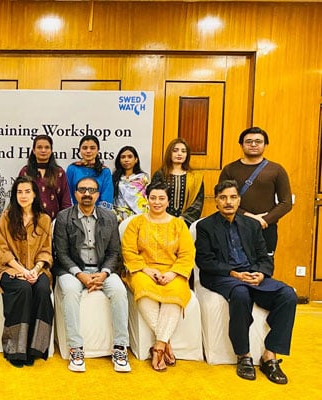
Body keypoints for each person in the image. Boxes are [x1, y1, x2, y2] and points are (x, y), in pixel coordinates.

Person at [195, 180, 296, 384]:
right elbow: (205, 261)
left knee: (288, 295)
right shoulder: (205, 226)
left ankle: (270, 354)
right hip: (223, 276)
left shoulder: (251, 225)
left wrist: (260, 274)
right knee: (241, 293)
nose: (228, 202)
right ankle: (244, 356)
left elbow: (263, 256)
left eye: (233, 197)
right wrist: (234, 274)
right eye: (223, 198)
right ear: (216, 201)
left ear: (239, 200)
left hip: (251, 274)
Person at [54, 177, 131, 373]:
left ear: (98, 194)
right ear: (75, 193)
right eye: (82, 190)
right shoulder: (63, 217)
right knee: (70, 293)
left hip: (102, 269)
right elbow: (61, 254)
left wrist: (104, 273)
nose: (87, 194)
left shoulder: (110, 217)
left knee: (120, 291)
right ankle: (76, 348)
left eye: (91, 190)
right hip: (73, 270)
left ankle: (120, 347)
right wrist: (80, 275)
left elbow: (115, 252)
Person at [121, 181, 195, 372]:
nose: (157, 202)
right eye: (153, 197)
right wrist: (146, 269)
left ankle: (159, 346)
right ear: (147, 199)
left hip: (174, 271)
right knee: (144, 293)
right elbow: (128, 251)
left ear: (168, 201)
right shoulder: (136, 223)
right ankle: (166, 342)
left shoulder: (178, 224)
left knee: (174, 298)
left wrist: (172, 273)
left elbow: (187, 254)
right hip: (142, 270)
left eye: (161, 198)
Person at [0, 176, 53, 368]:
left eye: (27, 191)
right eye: (19, 192)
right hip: (10, 268)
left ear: (35, 194)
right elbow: (1, 249)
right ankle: (15, 349)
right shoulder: (7, 216)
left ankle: (36, 347)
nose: (23, 195)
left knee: (43, 289)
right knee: (23, 289)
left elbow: (46, 250)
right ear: (14, 195)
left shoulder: (44, 219)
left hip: (37, 269)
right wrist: (21, 270)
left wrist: (34, 270)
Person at [219, 127, 292, 257]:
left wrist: (264, 220)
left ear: (265, 145)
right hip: (234, 225)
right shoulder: (230, 169)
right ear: (241, 145)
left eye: (258, 141)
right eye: (249, 141)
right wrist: (250, 217)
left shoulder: (276, 169)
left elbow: (286, 202)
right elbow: (221, 200)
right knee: (234, 267)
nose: (253, 144)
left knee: (264, 268)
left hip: (266, 228)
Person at [152, 138, 204, 227]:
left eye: (183, 151)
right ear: (169, 153)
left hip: (185, 225)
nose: (179, 154)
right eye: (175, 151)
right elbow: (154, 198)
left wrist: (183, 218)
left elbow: (198, 202)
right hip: (161, 222)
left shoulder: (195, 178)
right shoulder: (160, 174)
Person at [18, 135, 72, 219]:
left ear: (51, 151)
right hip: (29, 222)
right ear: (34, 151)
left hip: (54, 224)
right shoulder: (25, 172)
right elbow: (18, 198)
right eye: (39, 147)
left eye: (47, 147)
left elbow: (66, 202)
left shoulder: (59, 173)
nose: (43, 150)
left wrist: (64, 222)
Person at [66, 135, 113, 209]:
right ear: (79, 150)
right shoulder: (72, 169)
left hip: (98, 216)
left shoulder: (105, 171)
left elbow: (107, 197)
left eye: (92, 148)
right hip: (74, 215)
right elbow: (68, 194)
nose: (88, 151)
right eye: (84, 148)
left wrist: (100, 217)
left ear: (98, 150)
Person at [112, 146, 149, 223]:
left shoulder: (143, 178)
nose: (126, 160)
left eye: (130, 157)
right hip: (119, 217)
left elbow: (147, 199)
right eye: (123, 157)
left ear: (136, 159)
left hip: (139, 217)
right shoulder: (114, 178)